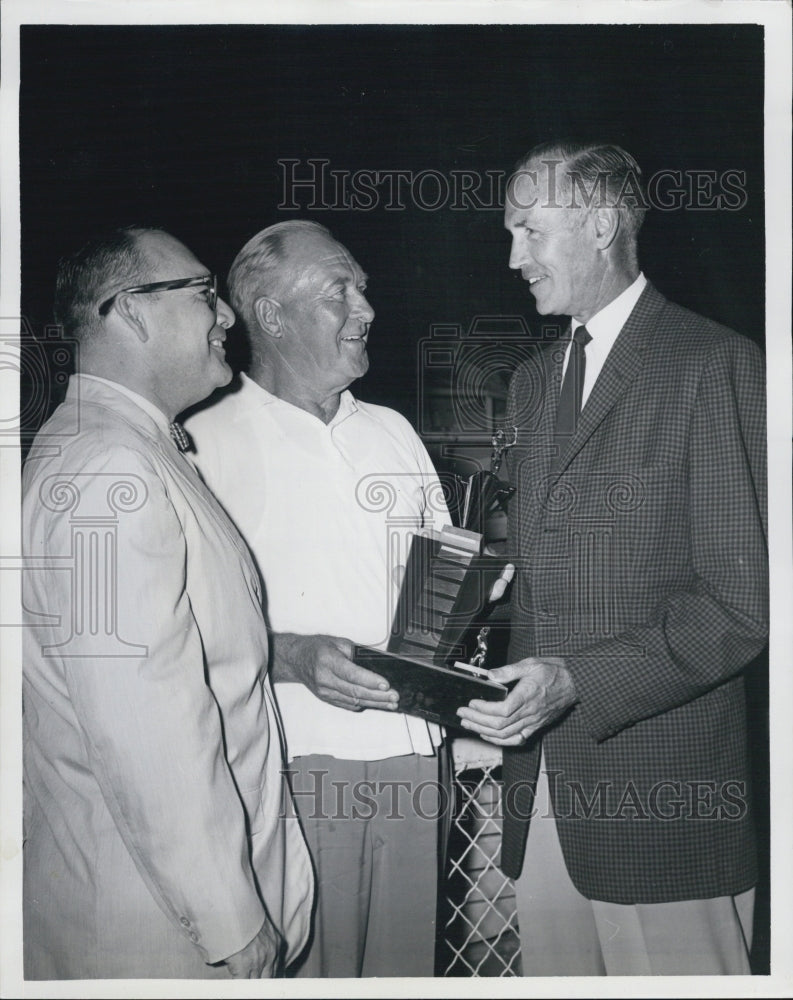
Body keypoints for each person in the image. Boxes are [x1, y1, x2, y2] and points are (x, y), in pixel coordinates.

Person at [457, 141, 768, 975]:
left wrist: (579, 682)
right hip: (541, 796)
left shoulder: (715, 365)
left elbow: (743, 609)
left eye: (528, 230)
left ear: (598, 224)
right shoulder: (530, 382)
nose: (512, 257)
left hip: (663, 807)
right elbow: (535, 573)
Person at [22, 226, 313, 980]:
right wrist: (230, 917)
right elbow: (144, 723)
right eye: (204, 293)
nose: (227, 317)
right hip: (161, 934)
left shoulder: (119, 448)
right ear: (132, 312)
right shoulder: (107, 472)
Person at [185, 220, 450, 978]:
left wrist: (465, 588)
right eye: (340, 290)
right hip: (297, 765)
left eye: (362, 288)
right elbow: (179, 629)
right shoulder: (203, 441)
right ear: (269, 316)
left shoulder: (394, 431)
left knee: (406, 976)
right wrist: (294, 655)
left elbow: (435, 582)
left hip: (415, 759)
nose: (366, 308)